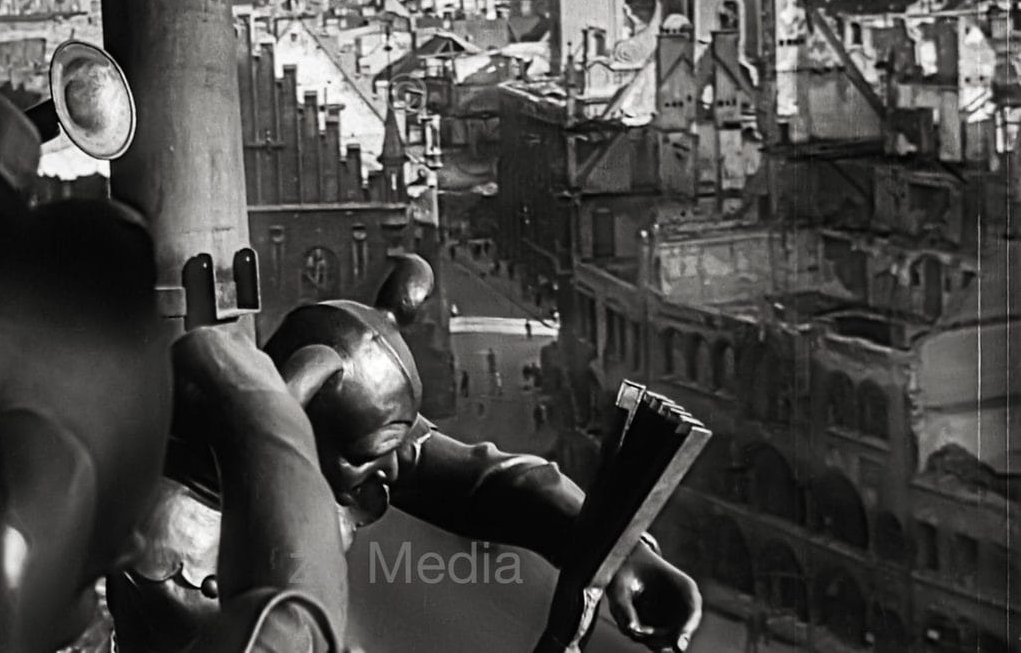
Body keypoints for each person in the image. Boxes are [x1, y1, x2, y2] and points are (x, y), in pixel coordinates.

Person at [118, 256, 703, 653]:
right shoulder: (166, 558)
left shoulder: (342, 436)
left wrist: (613, 547)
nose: (395, 469)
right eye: (376, 453)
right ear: (294, 425)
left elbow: (486, 481)